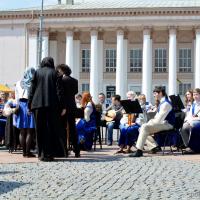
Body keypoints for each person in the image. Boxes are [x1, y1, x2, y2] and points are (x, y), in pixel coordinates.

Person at [28, 57, 67, 161]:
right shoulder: (55, 73)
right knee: (50, 129)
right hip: (52, 105)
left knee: (39, 130)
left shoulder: (36, 72)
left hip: (37, 105)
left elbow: (31, 90)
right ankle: (49, 154)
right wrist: (62, 106)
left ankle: (40, 154)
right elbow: (59, 92)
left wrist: (29, 105)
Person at [129, 86, 175, 157]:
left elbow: (159, 120)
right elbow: (157, 119)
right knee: (141, 128)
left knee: (144, 127)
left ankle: (139, 150)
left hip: (168, 124)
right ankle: (154, 146)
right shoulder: (162, 102)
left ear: (161, 93)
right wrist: (150, 122)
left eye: (155, 93)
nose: (154, 95)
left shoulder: (166, 103)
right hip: (162, 123)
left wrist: (149, 122)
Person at [56, 64, 80, 158]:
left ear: (62, 70)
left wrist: (62, 107)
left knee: (62, 128)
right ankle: (76, 150)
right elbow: (75, 92)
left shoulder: (61, 80)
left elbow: (60, 94)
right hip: (72, 106)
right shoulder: (75, 80)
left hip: (63, 107)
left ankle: (64, 150)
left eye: (58, 71)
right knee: (72, 128)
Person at [14, 68, 36, 157]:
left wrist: (16, 107)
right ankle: (27, 152)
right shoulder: (33, 82)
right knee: (30, 131)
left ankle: (24, 152)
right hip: (29, 105)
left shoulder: (18, 83)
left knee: (22, 131)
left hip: (20, 105)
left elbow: (16, 97)